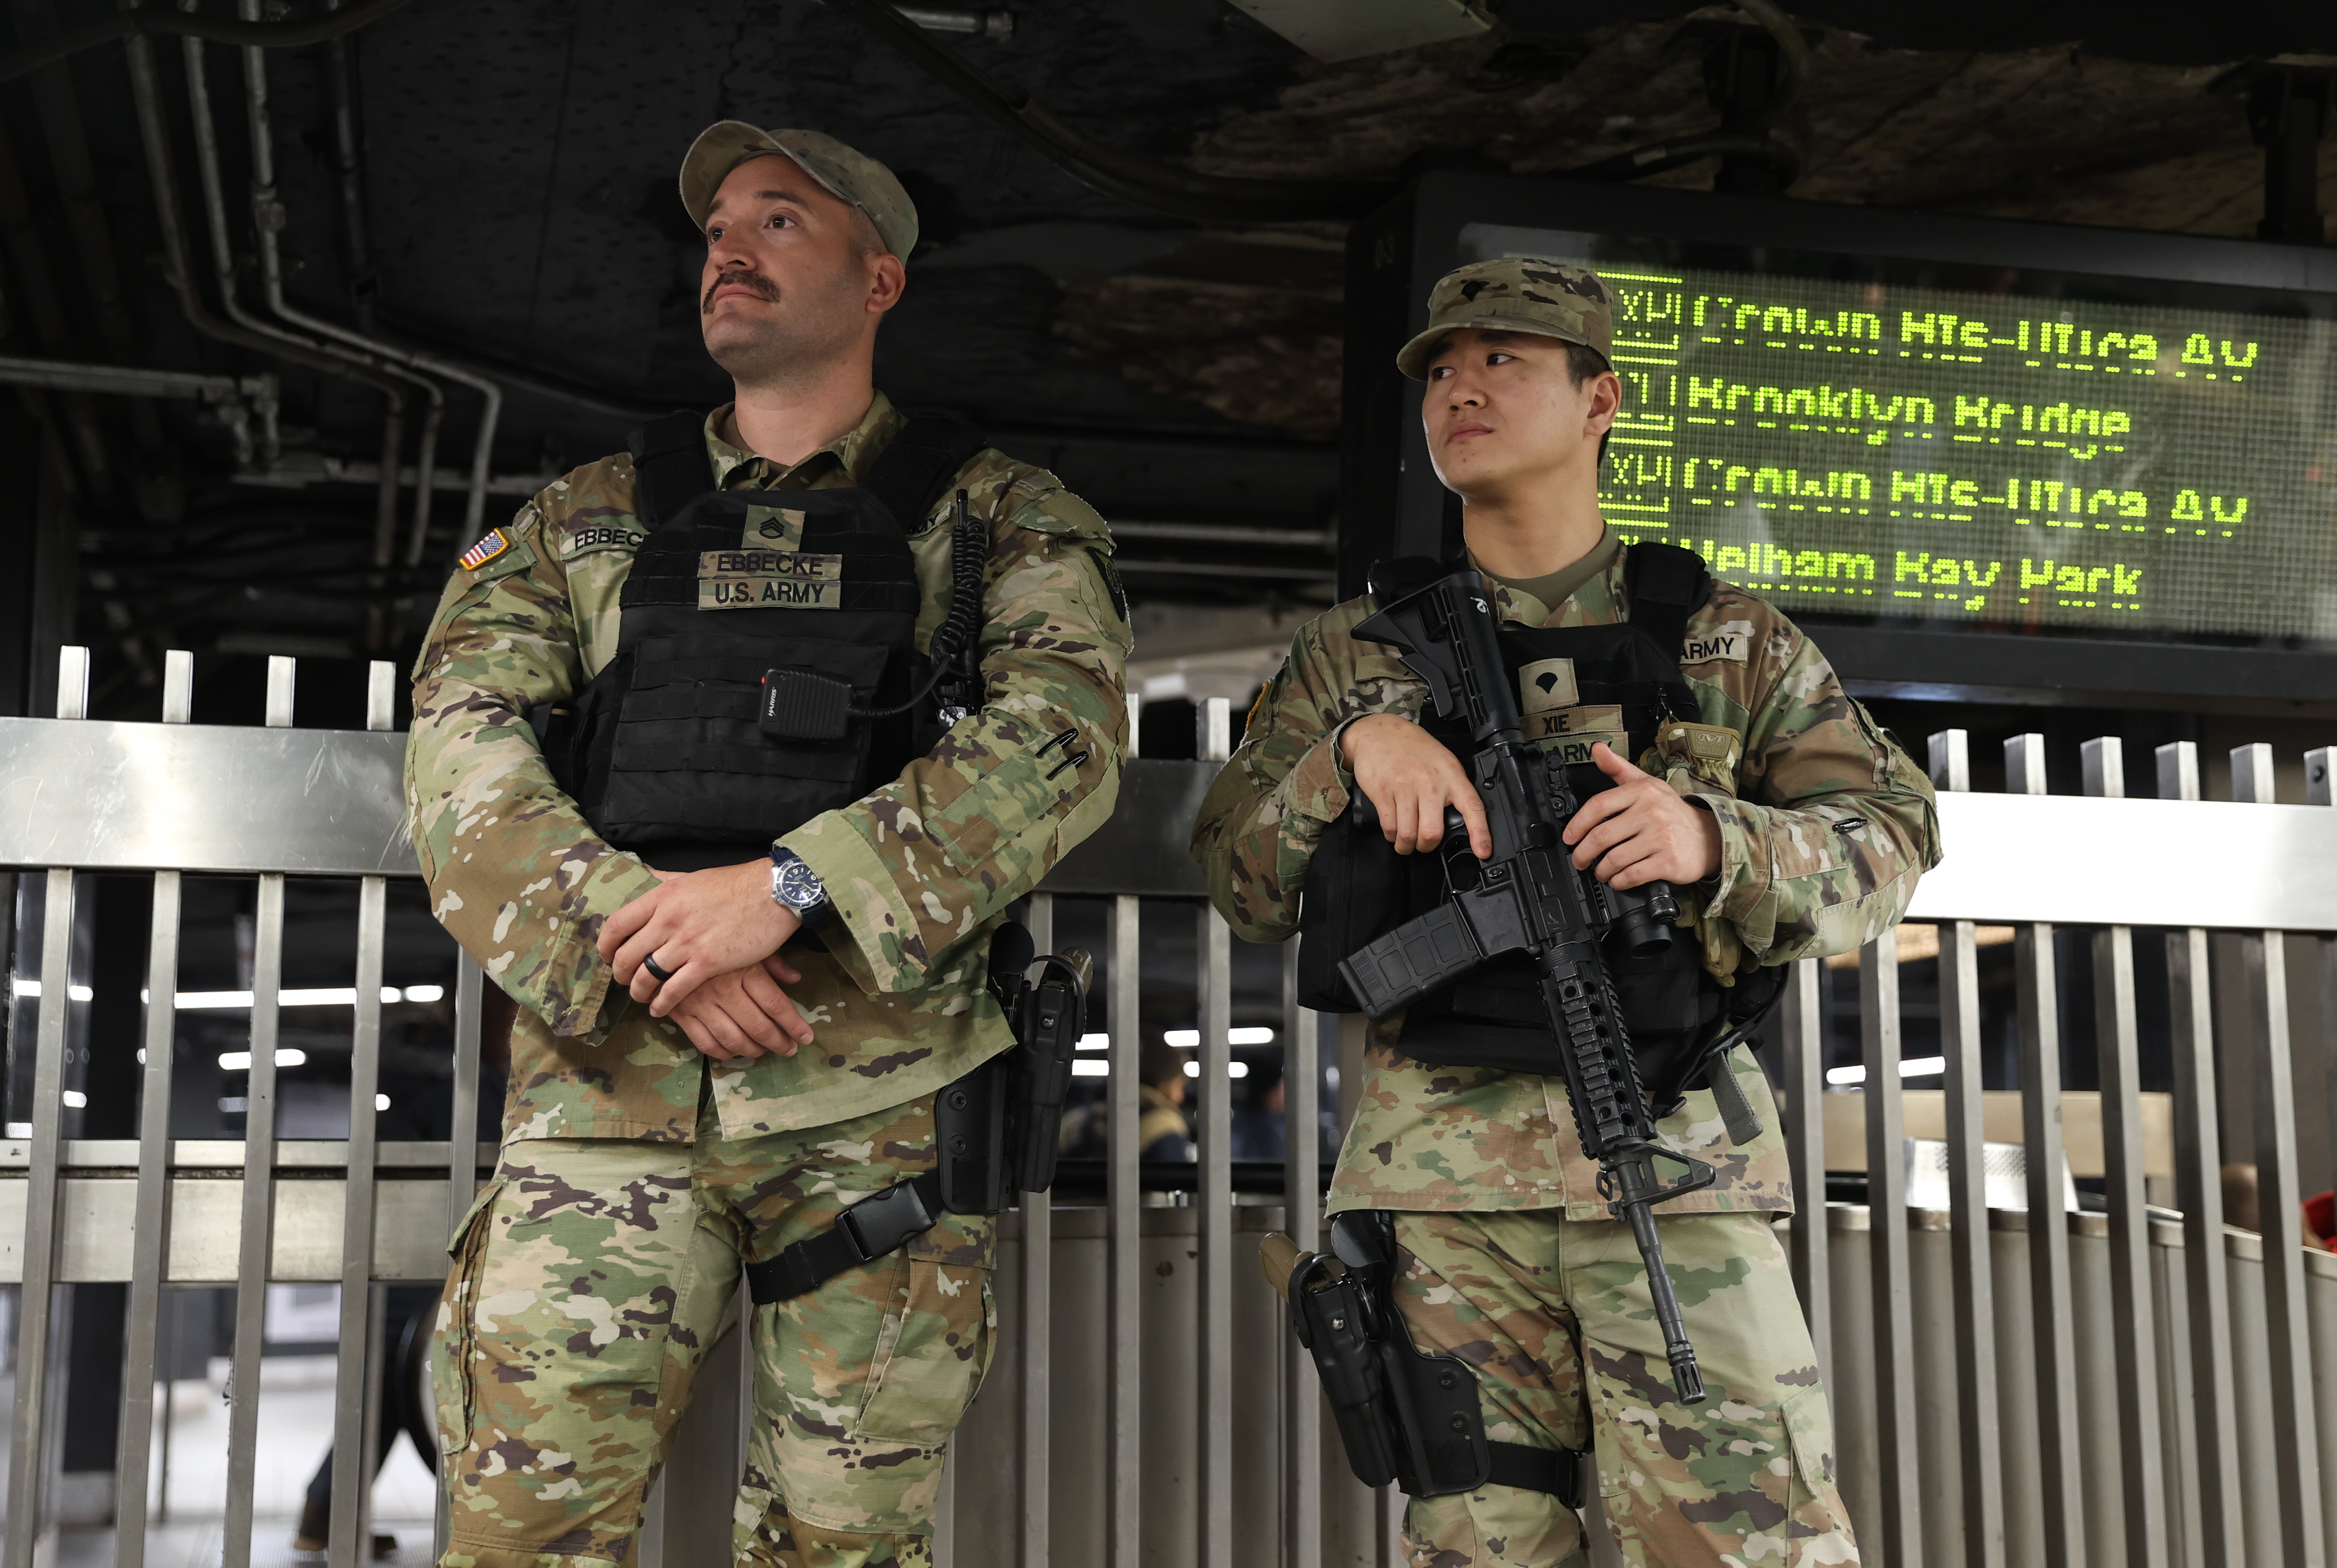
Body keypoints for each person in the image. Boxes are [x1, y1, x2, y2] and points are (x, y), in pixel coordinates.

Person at [407, 122, 1130, 1568]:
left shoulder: (997, 519)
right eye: (718, 225)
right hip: (605, 1105)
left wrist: (791, 888)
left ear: (879, 279)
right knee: (519, 1532)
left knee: (839, 1547)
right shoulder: (583, 521)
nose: (726, 248)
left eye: (779, 220)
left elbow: (1062, 738)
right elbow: (458, 742)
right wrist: (649, 929)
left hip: (876, 1120)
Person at [1191, 258, 1941, 1568]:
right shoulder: (1353, 654)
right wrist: (1354, 750)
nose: (1458, 387)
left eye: (1503, 360)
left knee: (1746, 1544)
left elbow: (1889, 841)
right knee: (1479, 1545)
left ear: (1598, 400)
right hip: (1446, 1192)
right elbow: (1239, 877)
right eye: (1439, 368)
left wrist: (1711, 836)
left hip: (1672, 1169)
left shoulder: (1725, 642)